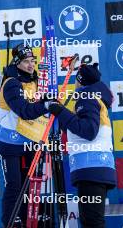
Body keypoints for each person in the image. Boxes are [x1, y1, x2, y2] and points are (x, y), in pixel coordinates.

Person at [45, 63, 116, 228]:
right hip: (94, 168)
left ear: (79, 81)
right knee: (90, 221)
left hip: (92, 169)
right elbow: (79, 128)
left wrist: (60, 111)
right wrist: (60, 113)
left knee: (92, 222)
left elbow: (88, 131)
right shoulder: (93, 97)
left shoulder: (87, 97)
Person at [0, 43, 48, 228]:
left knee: (30, 186)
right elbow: (25, 111)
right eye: (26, 61)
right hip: (10, 142)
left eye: (32, 60)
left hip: (30, 140)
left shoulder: (33, 81)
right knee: (14, 186)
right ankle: (10, 223)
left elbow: (41, 108)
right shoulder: (11, 83)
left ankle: (29, 222)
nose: (31, 65)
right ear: (17, 63)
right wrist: (46, 105)